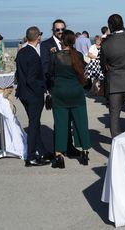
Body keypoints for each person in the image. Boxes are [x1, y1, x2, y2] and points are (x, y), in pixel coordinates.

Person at [49, 30, 91, 168]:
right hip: (76, 91)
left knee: (61, 124)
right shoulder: (78, 55)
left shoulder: (55, 56)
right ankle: (85, 151)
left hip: (60, 92)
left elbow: (49, 74)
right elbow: (83, 72)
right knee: (81, 121)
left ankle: (59, 154)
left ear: (62, 41)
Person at [40, 19, 81, 158]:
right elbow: (45, 67)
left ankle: (69, 147)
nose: (60, 32)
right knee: (59, 121)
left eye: (62, 29)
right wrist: (49, 88)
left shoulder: (69, 45)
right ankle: (59, 149)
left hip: (70, 88)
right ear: (53, 30)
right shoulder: (46, 45)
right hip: (55, 87)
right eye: (57, 30)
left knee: (69, 119)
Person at [15, 26, 52, 167]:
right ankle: (30, 157)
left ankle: (42, 151)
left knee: (34, 123)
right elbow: (32, 78)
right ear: (38, 37)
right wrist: (42, 88)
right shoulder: (34, 55)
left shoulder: (22, 52)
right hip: (33, 95)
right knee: (33, 125)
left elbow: (18, 74)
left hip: (23, 93)